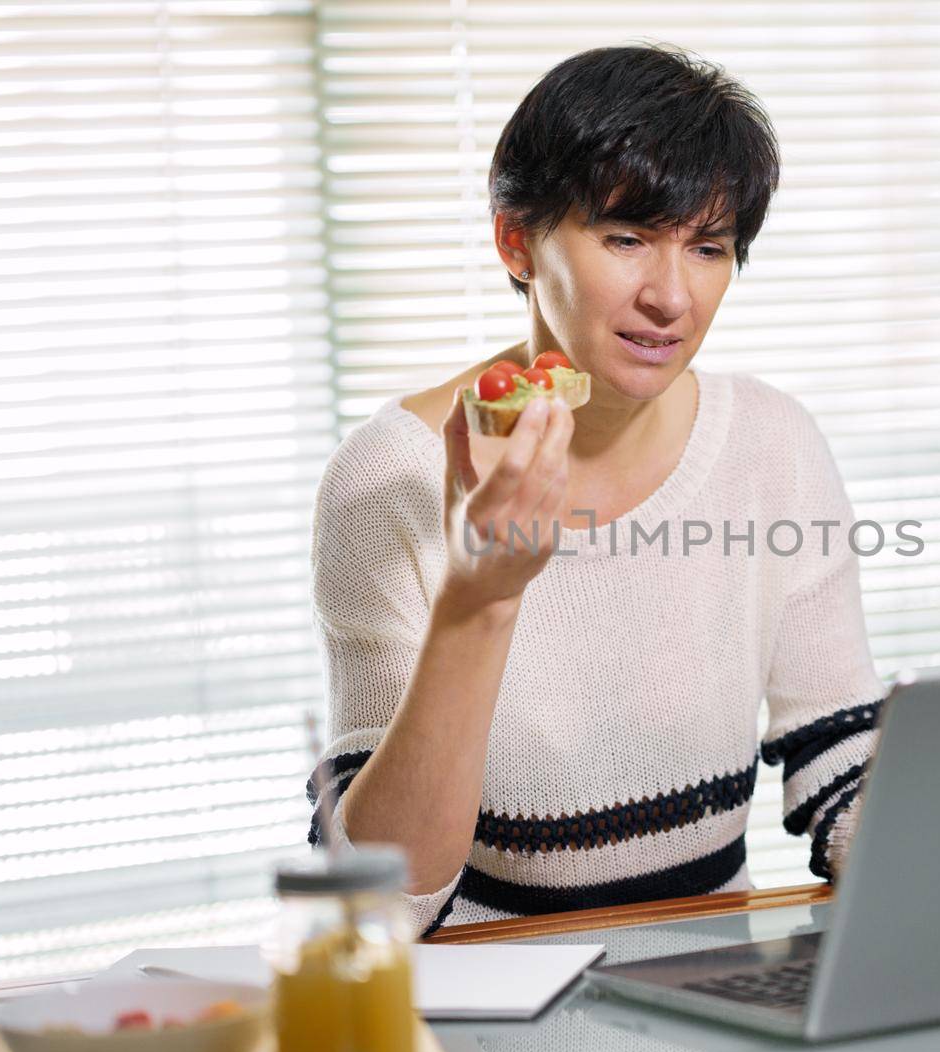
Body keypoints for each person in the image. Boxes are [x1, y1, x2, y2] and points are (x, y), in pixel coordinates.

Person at [306, 43, 888, 938]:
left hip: (712, 1002)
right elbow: (382, 902)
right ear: (517, 239)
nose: (671, 297)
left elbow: (840, 751)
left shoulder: (773, 441)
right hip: (483, 1018)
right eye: (625, 239)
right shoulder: (392, 478)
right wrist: (481, 599)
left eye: (707, 248)